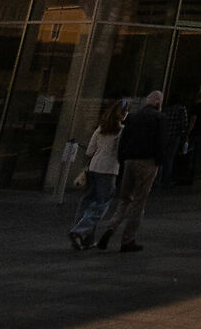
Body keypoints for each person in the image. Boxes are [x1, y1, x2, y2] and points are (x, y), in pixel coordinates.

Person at [95, 92, 162, 252]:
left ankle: (111, 227)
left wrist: (123, 159)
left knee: (125, 199)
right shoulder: (159, 119)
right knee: (139, 201)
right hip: (147, 161)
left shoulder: (133, 117)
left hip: (130, 162)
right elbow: (161, 141)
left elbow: (124, 139)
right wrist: (159, 162)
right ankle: (128, 239)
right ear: (158, 103)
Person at [69, 103, 123, 249]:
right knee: (102, 203)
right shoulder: (121, 131)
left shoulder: (101, 129)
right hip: (109, 168)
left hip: (94, 166)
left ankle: (85, 238)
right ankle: (79, 231)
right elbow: (121, 152)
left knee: (87, 201)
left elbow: (90, 150)